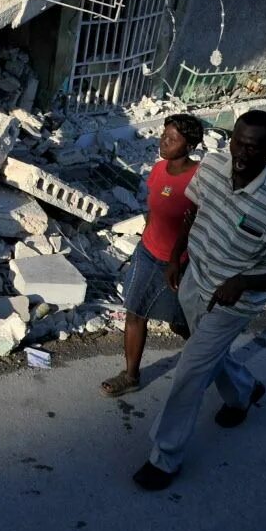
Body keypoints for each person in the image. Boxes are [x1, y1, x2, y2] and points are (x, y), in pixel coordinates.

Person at [133, 110, 266, 491]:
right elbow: (192, 211)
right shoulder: (213, 167)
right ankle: (243, 390)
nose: (243, 153)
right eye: (238, 142)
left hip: (233, 301)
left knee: (191, 370)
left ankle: (164, 457)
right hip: (196, 277)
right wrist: (176, 256)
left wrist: (245, 281)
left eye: (254, 146)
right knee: (205, 355)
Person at [100, 113, 205, 397]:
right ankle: (131, 375)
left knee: (182, 324)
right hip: (147, 252)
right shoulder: (159, 168)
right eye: (163, 135)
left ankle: (218, 364)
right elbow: (153, 209)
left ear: (190, 145)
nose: (164, 142)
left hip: (176, 262)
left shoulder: (198, 179)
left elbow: (194, 224)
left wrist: (175, 260)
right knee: (134, 311)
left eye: (173, 139)